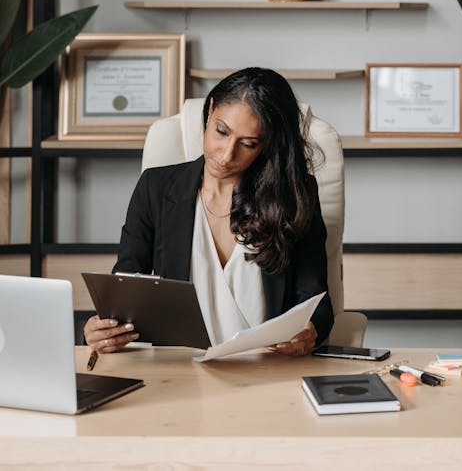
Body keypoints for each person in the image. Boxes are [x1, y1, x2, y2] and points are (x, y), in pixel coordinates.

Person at [84, 67, 333, 357]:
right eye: (221, 132)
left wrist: (309, 331)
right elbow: (124, 290)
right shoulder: (156, 188)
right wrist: (101, 329)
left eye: (248, 144)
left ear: (267, 146)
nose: (227, 155)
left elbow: (318, 302)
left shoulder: (293, 196)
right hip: (179, 371)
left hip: (267, 368)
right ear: (210, 110)